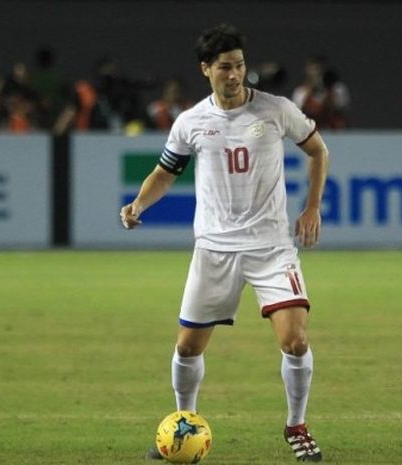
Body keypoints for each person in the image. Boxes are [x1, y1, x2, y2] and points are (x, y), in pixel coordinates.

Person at [120, 24, 329, 462]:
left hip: (271, 247)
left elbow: (318, 151)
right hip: (214, 248)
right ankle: (184, 424)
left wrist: (312, 208)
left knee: (296, 341)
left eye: (239, 66)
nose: (234, 75)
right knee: (186, 348)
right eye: (224, 67)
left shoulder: (276, 110)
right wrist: (138, 205)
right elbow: (165, 172)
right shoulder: (191, 122)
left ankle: (297, 425)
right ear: (205, 70)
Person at [292, 55, 349, 129]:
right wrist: (310, 92)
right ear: (307, 70)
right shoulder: (300, 92)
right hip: (310, 134)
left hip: (334, 134)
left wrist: (330, 94)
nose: (318, 73)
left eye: (321, 69)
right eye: (315, 69)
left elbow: (342, 111)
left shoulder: (338, 89)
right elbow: (296, 115)